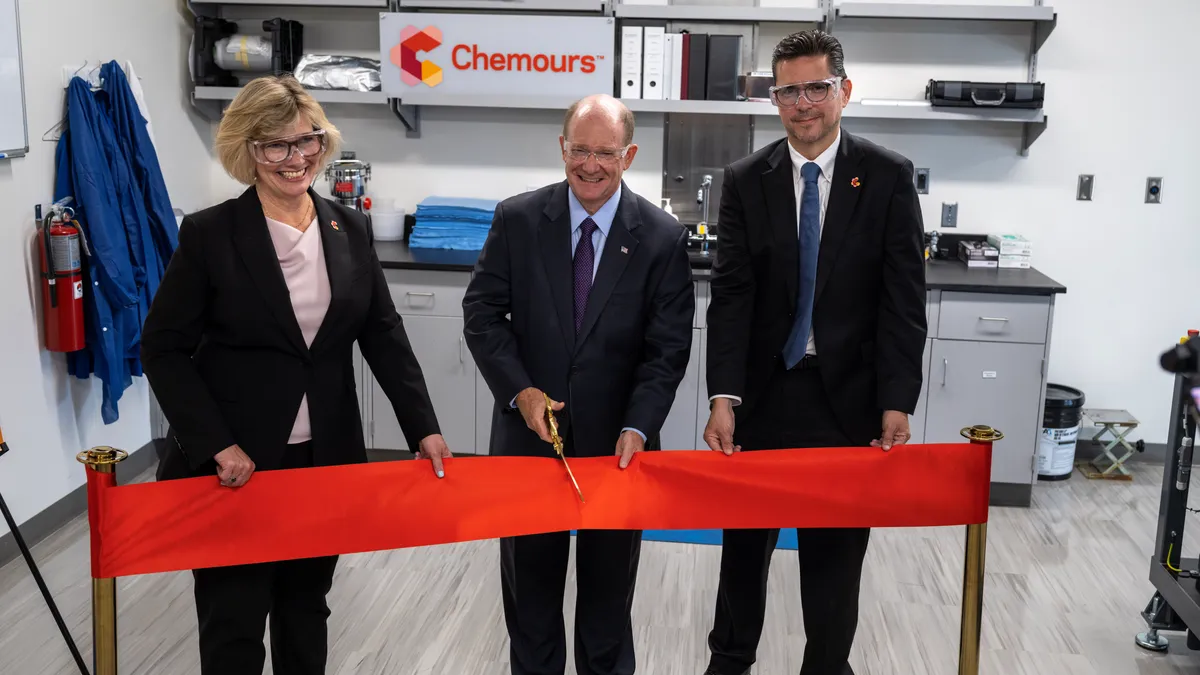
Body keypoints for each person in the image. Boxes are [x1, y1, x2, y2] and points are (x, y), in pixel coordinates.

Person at [140, 74, 452, 675]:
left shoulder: (348, 228)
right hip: (238, 465)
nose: (295, 158)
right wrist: (215, 444)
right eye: (274, 145)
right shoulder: (211, 234)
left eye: (307, 140)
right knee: (234, 616)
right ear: (247, 151)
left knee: (306, 606)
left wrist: (423, 427)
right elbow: (163, 348)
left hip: (323, 461)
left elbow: (383, 334)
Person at [699, 30, 927, 675]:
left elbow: (902, 300)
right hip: (763, 398)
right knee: (744, 551)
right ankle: (730, 661)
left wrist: (896, 401)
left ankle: (826, 666)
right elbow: (733, 299)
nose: (803, 103)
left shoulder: (886, 176)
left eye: (816, 87)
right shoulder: (747, 179)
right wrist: (723, 398)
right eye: (789, 90)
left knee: (835, 557)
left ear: (844, 91)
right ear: (775, 100)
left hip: (847, 400)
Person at [462, 94, 694, 675]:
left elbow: (667, 350)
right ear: (562, 148)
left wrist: (640, 424)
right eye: (580, 150)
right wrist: (521, 391)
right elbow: (483, 314)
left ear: (629, 154)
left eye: (606, 153)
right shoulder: (516, 219)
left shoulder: (662, 238)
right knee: (532, 608)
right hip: (528, 446)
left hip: (620, 450)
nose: (591, 165)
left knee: (606, 610)